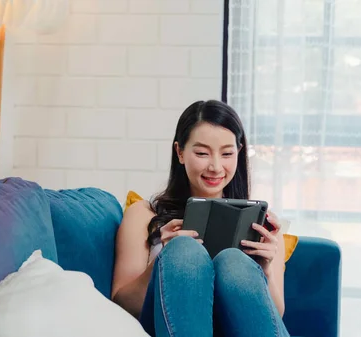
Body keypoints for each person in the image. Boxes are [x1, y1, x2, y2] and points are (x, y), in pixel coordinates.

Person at [111, 100, 289, 337]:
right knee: (184, 250)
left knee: (233, 261)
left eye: (227, 153)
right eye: (202, 153)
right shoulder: (144, 214)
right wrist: (163, 259)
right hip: (169, 325)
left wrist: (263, 270)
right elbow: (122, 303)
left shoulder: (262, 225)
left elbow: (275, 314)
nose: (215, 167)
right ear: (180, 153)